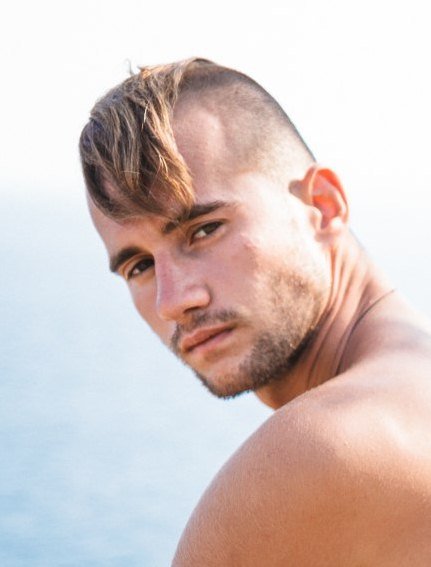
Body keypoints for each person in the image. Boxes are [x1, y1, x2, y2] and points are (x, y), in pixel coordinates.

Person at [79, 58, 431, 565]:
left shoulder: (319, 448)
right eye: (140, 266)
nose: (173, 301)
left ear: (323, 206)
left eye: (204, 230)